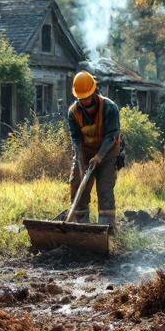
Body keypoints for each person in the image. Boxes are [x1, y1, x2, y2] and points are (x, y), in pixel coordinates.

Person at [66, 71, 122, 227]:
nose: (84, 102)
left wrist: (99, 156)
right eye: (81, 99)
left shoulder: (110, 108)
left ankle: (106, 229)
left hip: (108, 152)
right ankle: (80, 227)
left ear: (94, 91)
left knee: (105, 189)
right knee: (77, 185)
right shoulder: (73, 113)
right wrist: (81, 163)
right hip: (86, 151)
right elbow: (76, 139)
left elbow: (112, 135)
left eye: (87, 98)